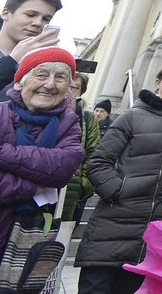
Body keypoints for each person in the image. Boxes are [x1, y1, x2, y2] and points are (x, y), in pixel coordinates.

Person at [73, 62, 162, 294]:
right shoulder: (131, 117)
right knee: (95, 287)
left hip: (159, 225)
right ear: (158, 82)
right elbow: (99, 162)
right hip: (114, 220)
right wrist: (117, 190)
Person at [0, 47, 85, 287]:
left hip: (27, 238)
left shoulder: (69, 123)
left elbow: (63, 169)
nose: (50, 84)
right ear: (20, 82)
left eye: (60, 77)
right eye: (41, 74)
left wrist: (3, 155)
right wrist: (36, 184)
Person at [0, 0, 63, 101]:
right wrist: (12, 60)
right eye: (31, 15)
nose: (38, 23)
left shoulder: (43, 63)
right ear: (5, 13)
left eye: (46, 19)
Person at [62, 72, 101, 224]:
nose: (70, 90)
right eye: (68, 85)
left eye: (75, 87)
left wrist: (83, 185)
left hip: (71, 188)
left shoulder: (87, 117)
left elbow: (93, 152)